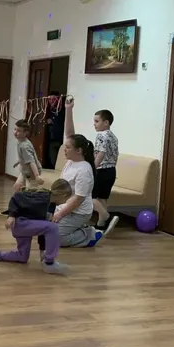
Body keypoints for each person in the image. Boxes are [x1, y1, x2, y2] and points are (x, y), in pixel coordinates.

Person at [0, 179, 72, 275]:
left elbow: (44, 228)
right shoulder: (42, 197)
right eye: (66, 199)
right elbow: (17, 197)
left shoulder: (51, 205)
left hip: (25, 226)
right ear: (63, 195)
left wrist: (42, 251)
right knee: (53, 227)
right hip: (20, 223)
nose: (65, 202)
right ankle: (49, 263)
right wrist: (12, 215)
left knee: (22, 257)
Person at [57, 98, 116, 247]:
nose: (64, 149)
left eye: (67, 148)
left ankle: (91, 232)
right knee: (45, 229)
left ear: (79, 151)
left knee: (56, 238)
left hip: (78, 211)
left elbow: (78, 199)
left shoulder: (84, 169)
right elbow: (69, 135)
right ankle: (100, 223)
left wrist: (60, 214)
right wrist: (68, 109)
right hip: (110, 170)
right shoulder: (73, 161)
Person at [93, 109, 119, 231]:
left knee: (90, 197)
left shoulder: (101, 135)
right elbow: (116, 155)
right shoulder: (113, 137)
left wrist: (92, 168)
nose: (94, 124)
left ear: (106, 122)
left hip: (101, 170)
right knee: (102, 198)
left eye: (97, 121)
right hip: (111, 170)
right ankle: (101, 224)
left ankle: (107, 217)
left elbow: (101, 153)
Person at [12, 119, 43, 192]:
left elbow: (31, 162)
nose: (15, 132)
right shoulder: (20, 141)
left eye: (19, 131)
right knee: (17, 186)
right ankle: (20, 198)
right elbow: (24, 156)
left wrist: (37, 176)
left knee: (30, 192)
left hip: (32, 173)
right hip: (24, 171)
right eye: (15, 129)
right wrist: (18, 161)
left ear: (26, 133)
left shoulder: (25, 146)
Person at [46, 91, 65, 169]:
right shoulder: (48, 110)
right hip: (52, 139)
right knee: (52, 159)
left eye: (53, 99)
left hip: (61, 139)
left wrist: (53, 120)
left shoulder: (62, 109)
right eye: (49, 99)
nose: (51, 101)